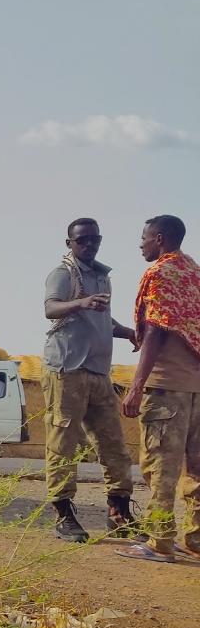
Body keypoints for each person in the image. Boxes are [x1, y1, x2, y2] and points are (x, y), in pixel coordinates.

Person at [42, 217, 137, 542]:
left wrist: (126, 332)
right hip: (66, 370)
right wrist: (81, 302)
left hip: (98, 372)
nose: (89, 245)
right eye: (82, 240)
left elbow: (101, 319)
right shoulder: (63, 273)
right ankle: (63, 515)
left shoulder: (101, 276)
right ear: (70, 243)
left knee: (113, 444)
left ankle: (119, 511)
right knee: (63, 444)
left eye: (94, 239)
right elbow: (51, 308)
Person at [117, 215, 200, 563]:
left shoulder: (161, 273)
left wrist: (136, 386)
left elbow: (156, 330)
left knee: (159, 467)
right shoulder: (193, 271)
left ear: (160, 239)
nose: (141, 243)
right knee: (196, 469)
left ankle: (159, 541)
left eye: (144, 237)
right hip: (197, 388)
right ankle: (195, 540)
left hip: (166, 387)